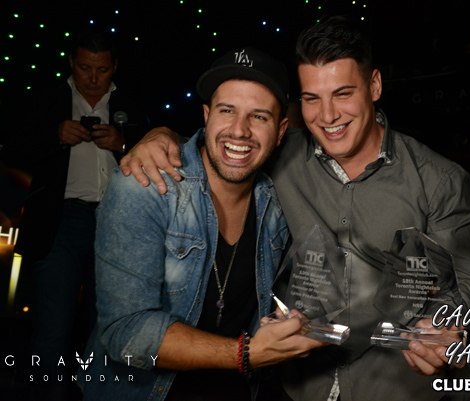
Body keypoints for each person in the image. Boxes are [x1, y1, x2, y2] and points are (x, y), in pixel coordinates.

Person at [121, 16, 470, 401]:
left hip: (396, 385)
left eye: (342, 94)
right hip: (302, 386)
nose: (327, 116)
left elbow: (467, 283)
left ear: (375, 85)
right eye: (312, 98)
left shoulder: (439, 179)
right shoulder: (282, 154)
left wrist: (441, 325)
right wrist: (159, 135)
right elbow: (224, 142)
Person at [80, 46, 324, 401]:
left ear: (281, 129)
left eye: (259, 116)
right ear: (207, 114)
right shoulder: (144, 185)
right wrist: (246, 354)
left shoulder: (277, 199)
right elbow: (125, 332)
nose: (239, 131)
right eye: (227, 110)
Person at [2, 31, 148, 400]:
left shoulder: (130, 102)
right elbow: (12, 150)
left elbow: (160, 158)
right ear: (71, 63)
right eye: (85, 68)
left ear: (114, 66)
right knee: (52, 328)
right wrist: (55, 136)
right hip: (60, 223)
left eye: (101, 69)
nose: (93, 78)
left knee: (110, 326)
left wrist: (123, 143)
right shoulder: (46, 99)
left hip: (118, 224)